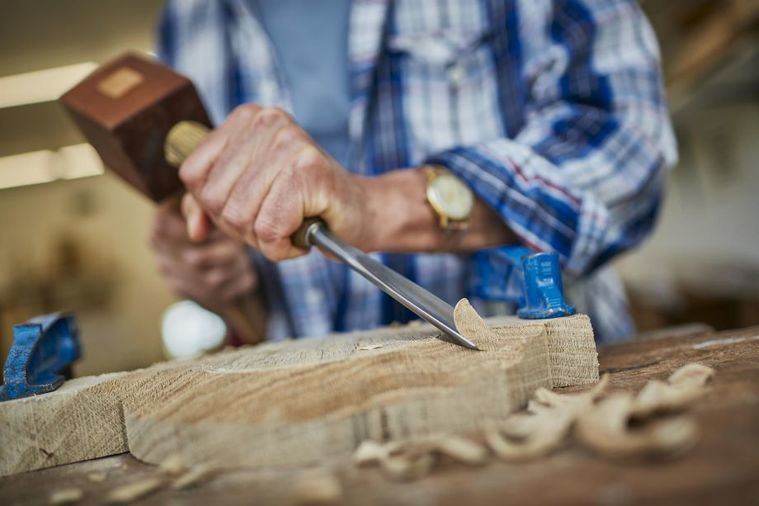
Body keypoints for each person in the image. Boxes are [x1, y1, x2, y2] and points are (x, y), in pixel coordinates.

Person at [150, 0, 677, 344]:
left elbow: (625, 144)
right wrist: (217, 270)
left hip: (542, 389)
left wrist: (382, 207)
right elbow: (233, 248)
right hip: (312, 415)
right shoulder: (184, 20)